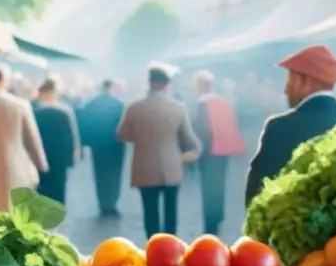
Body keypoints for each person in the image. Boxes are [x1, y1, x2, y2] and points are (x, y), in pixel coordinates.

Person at [245, 45, 336, 205]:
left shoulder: (279, 127)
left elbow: (258, 192)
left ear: (306, 82)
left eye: (290, 80)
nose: (286, 90)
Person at [117, 65, 201, 238]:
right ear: (166, 85)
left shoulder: (134, 108)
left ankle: (153, 245)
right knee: (171, 208)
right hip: (172, 165)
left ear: (150, 83)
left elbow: (122, 134)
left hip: (144, 167)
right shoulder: (178, 108)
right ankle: (171, 245)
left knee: (150, 210)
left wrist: (141, 137)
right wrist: (186, 155)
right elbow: (189, 138)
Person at [0, 66, 48, 211]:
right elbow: (31, 139)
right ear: (3, 80)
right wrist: (40, 164)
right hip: (13, 167)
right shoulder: (20, 105)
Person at [191, 70, 244, 235]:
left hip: (208, 153)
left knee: (208, 189)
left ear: (199, 86)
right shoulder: (223, 102)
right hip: (223, 151)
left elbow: (201, 132)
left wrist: (195, 153)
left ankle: (210, 223)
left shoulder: (201, 105)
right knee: (220, 185)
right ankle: (219, 215)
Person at [32, 78, 80, 205]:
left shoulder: (35, 112)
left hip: (41, 155)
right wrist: (71, 158)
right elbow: (71, 137)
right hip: (59, 158)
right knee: (58, 188)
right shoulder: (64, 111)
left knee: (42, 187)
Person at [81, 79, 126, 216]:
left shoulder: (91, 104)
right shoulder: (119, 104)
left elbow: (84, 123)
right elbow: (124, 125)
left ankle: (103, 203)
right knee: (115, 174)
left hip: (98, 144)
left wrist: (84, 143)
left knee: (100, 174)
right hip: (115, 144)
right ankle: (112, 202)